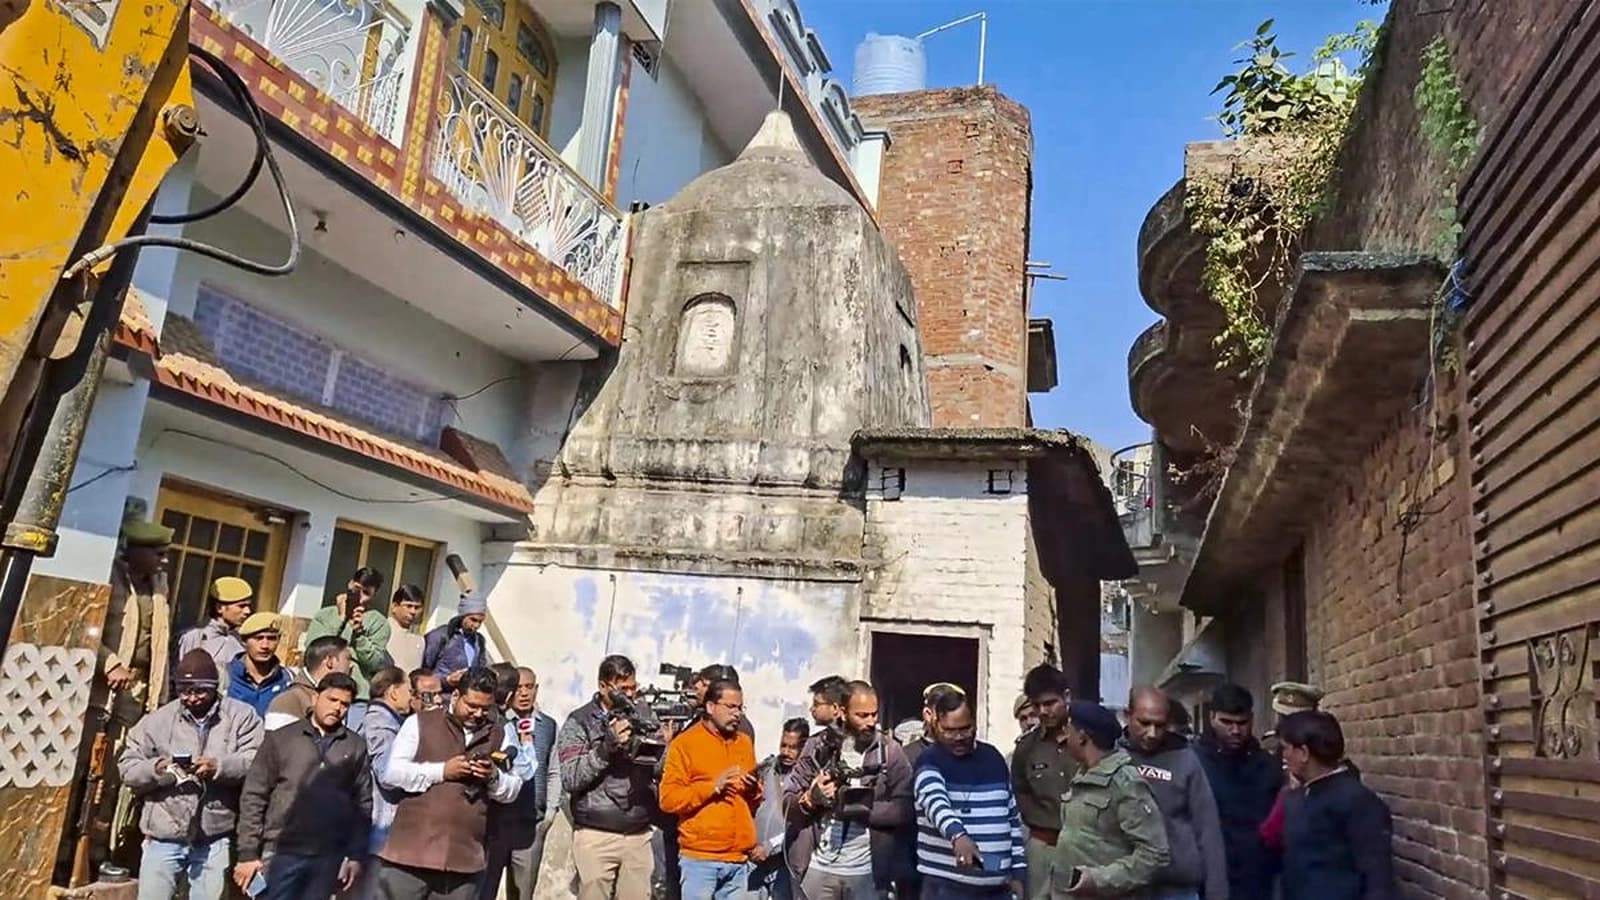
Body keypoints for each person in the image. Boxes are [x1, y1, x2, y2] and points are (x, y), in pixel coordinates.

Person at [118, 650, 263, 900]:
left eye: (200, 691)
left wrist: (219, 767)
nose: (192, 698)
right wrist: (158, 769)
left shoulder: (241, 717)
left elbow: (258, 761)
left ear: (215, 688)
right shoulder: (157, 720)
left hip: (215, 833)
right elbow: (128, 766)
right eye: (185, 691)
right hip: (164, 832)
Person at [375, 667, 523, 899]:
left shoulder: (500, 734)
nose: (477, 713)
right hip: (410, 854)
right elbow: (392, 773)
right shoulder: (419, 723)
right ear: (455, 696)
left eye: (485, 708)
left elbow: (513, 788)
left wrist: (493, 776)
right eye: (471, 706)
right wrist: (442, 771)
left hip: (464, 861)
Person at [83, 518, 174, 866]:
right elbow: (87, 631)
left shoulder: (160, 585)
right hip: (103, 694)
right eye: (158, 552)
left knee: (122, 774)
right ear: (136, 551)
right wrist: (108, 664)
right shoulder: (110, 577)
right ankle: (70, 850)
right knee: (91, 770)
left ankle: (101, 851)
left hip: (142, 693)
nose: (164, 560)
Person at [235, 672, 371, 899]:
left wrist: (355, 855)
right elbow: (254, 795)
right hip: (280, 850)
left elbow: (362, 804)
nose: (338, 708)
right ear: (316, 698)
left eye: (345, 704)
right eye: (332, 700)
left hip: (327, 856)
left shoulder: (355, 746)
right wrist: (247, 853)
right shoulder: (282, 739)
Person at [785, 680, 914, 900]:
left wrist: (860, 808)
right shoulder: (817, 747)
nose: (871, 721)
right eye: (862, 715)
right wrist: (811, 799)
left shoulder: (889, 751)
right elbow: (787, 801)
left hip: (867, 872)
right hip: (819, 867)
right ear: (842, 712)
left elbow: (908, 807)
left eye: (874, 714)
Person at [557, 654, 660, 900]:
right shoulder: (579, 721)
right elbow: (570, 778)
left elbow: (659, 769)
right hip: (596, 833)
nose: (630, 694)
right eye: (622, 689)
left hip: (638, 833)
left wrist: (661, 743)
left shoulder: (646, 715)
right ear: (603, 686)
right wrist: (606, 748)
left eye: (633, 688)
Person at [912, 690, 1025, 899]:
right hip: (946, 888)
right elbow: (935, 803)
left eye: (965, 729)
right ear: (936, 725)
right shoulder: (928, 761)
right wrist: (958, 836)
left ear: (975, 722)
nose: (958, 737)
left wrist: (1018, 872)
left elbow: (1012, 819)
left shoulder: (993, 758)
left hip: (998, 889)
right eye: (949, 730)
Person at [1052, 701, 1169, 899]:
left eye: (1068, 729)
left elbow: (1154, 854)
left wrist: (1099, 880)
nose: (1064, 736)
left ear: (1082, 737)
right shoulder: (1083, 775)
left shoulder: (1125, 783)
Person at [658, 679, 763, 900]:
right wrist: (713, 786)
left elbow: (751, 802)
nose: (738, 714)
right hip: (700, 861)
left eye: (740, 707)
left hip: (738, 860)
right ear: (710, 707)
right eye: (731, 707)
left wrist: (754, 790)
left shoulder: (744, 742)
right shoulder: (684, 744)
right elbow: (668, 799)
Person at [1120, 687, 1228, 900]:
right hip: (1123, 886)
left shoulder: (1186, 760)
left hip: (1177, 887)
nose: (1151, 733)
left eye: (1159, 726)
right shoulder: (1110, 756)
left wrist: (1217, 892)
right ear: (1127, 715)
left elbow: (1207, 828)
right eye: (1144, 723)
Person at [1277, 712, 1397, 900]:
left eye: (1286, 749)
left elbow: (1378, 879)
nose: (1283, 756)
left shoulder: (1358, 802)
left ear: (1304, 753)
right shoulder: (1297, 797)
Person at [1194, 684, 1282, 900]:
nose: (1235, 731)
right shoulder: (1193, 763)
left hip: (1258, 881)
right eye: (1227, 722)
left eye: (1242, 723)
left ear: (1251, 719)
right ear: (1212, 717)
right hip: (1208, 878)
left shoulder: (1268, 766)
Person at [481, 665, 561, 900]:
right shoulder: (495, 722)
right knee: (485, 890)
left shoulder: (548, 725)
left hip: (531, 824)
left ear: (537, 689)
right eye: (518, 688)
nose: (524, 693)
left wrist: (550, 812)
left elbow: (554, 770)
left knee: (522, 894)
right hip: (495, 823)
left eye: (529, 687)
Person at [1012, 665, 1076, 900]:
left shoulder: (1088, 741)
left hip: (1083, 850)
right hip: (1041, 847)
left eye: (1050, 704)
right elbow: (1020, 791)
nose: (1043, 712)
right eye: (1037, 705)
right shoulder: (1026, 748)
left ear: (1066, 697)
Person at [306, 567, 391, 728]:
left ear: (374, 595)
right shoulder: (325, 615)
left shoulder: (378, 622)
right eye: (356, 589)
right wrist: (340, 619)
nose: (359, 596)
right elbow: (314, 649)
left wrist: (359, 634)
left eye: (366, 593)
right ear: (350, 583)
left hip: (357, 698)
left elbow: (374, 662)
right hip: (321, 689)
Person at [751, 718, 807, 900]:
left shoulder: (805, 780)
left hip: (784, 864)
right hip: (754, 859)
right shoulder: (768, 769)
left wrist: (769, 847)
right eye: (783, 745)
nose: (786, 752)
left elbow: (798, 827)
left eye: (792, 748)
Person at [363, 665, 414, 862]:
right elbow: (388, 775)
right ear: (393, 692)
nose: (412, 697)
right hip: (379, 828)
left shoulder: (393, 723)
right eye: (409, 691)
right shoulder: (381, 724)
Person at [264, 634, 351, 731]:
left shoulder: (340, 700)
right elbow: (275, 743)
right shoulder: (289, 701)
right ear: (330, 661)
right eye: (348, 659)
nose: (351, 666)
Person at [176, 576, 253, 681]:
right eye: (241, 606)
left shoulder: (241, 640)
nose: (247, 611)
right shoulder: (194, 637)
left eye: (248, 606)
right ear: (219, 608)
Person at [225, 613, 294, 718]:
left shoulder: (288, 679)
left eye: (271, 639)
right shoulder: (224, 674)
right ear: (244, 641)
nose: (265, 646)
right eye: (258, 638)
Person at [423, 594, 490, 693]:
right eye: (473, 620)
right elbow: (424, 671)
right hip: (442, 697)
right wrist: (447, 680)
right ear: (463, 616)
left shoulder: (479, 641)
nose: (476, 625)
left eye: (480, 622)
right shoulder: (441, 636)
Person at [387, 584, 428, 673]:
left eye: (417, 607)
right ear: (394, 606)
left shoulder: (420, 640)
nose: (413, 612)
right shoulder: (383, 630)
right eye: (408, 606)